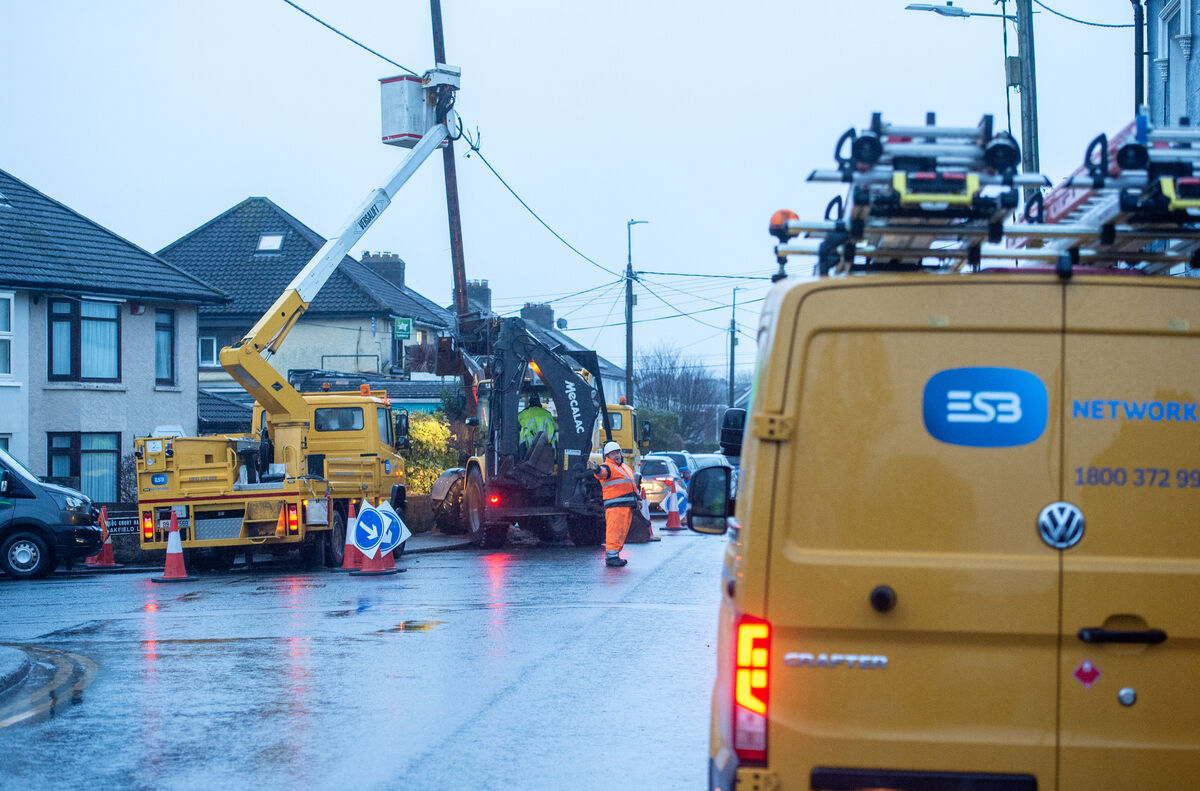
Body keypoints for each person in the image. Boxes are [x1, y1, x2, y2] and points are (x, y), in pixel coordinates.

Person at [590, 440, 642, 567]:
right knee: (614, 531)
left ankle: (615, 555)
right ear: (607, 456)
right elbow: (602, 473)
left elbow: (632, 486)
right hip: (615, 507)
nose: (617, 455)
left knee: (621, 532)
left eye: (618, 452)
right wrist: (596, 469)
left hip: (627, 506)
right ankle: (611, 557)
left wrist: (638, 499)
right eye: (613, 454)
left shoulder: (625, 468)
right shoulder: (608, 466)